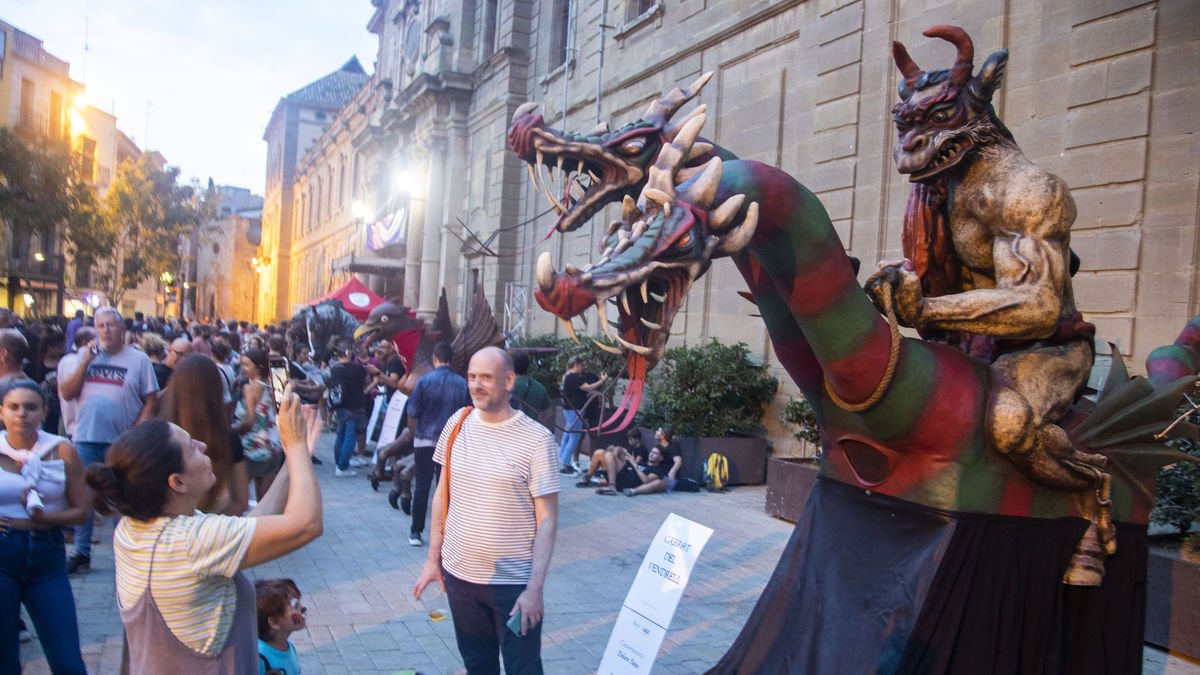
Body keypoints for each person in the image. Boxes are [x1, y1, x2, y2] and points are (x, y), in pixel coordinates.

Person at [84, 387, 322, 673]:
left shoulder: (137, 527)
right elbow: (306, 525)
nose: (203, 445)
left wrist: (297, 458)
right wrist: (295, 448)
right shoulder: (189, 542)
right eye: (191, 447)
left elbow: (247, 528)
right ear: (177, 482)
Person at [412, 347, 559, 675]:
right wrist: (432, 560)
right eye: (472, 377)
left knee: (523, 669)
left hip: (514, 586)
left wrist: (535, 589)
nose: (476, 385)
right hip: (460, 578)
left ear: (509, 381)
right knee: (478, 666)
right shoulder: (457, 423)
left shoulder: (537, 440)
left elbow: (548, 520)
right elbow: (442, 495)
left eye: (486, 378)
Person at [59, 307, 159, 574]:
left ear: (122, 329)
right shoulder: (83, 357)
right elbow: (67, 393)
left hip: (121, 440)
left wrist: (137, 430)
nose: (105, 330)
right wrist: (84, 363)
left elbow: (151, 399)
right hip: (87, 437)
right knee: (85, 494)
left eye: (110, 325)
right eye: (100, 326)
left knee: (121, 497)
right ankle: (81, 551)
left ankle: (124, 553)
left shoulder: (138, 360)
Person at [0, 380, 88, 674]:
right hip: (2, 555)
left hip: (47, 556)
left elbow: (81, 510)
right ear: (2, 412)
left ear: (45, 411)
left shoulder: (62, 450)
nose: (22, 413)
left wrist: (43, 520)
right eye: (14, 407)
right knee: (4, 661)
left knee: (68, 662)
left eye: (30, 407)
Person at [160, 354, 250, 516]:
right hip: (214, 530)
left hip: (165, 530)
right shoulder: (228, 438)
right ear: (216, 389)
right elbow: (240, 501)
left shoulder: (159, 433)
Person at [405, 342, 470, 547]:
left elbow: (413, 410)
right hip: (452, 442)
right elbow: (469, 413)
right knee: (447, 488)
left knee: (422, 485)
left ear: (435, 359)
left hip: (425, 439)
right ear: (451, 359)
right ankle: (446, 532)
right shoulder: (462, 383)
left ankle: (416, 531)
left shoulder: (425, 381)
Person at [235, 348, 284, 499]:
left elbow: (250, 419)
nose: (243, 369)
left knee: (239, 496)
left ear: (259, 367)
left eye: (247, 365)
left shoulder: (250, 388)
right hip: (272, 445)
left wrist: (230, 433)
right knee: (264, 498)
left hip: (251, 446)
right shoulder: (275, 385)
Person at [557, 357, 606, 474]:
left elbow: (578, 392)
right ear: (576, 365)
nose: (582, 368)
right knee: (574, 437)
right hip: (575, 411)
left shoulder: (567, 376)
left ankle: (562, 458)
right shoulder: (573, 377)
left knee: (567, 435)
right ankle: (566, 462)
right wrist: (602, 380)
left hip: (570, 410)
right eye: (581, 365)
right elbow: (588, 387)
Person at [326, 338, 368, 477]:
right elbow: (366, 383)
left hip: (340, 405)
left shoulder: (334, 369)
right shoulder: (357, 369)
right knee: (350, 437)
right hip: (354, 406)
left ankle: (340, 463)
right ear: (349, 352)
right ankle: (342, 466)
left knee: (340, 434)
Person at [255, 578, 305, 675]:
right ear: (274, 622)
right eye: (294, 605)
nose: (302, 608)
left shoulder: (289, 646)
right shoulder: (259, 656)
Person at [575, 428, 648, 490]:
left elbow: (635, 463)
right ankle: (587, 478)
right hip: (623, 468)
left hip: (629, 471)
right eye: (628, 440)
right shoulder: (632, 447)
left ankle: (610, 481)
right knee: (599, 452)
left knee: (617, 449)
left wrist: (624, 453)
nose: (629, 442)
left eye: (631, 440)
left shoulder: (641, 449)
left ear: (637, 439)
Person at [56, 327, 95, 440]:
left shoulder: (64, 360)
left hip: (67, 422)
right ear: (85, 343)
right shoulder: (72, 362)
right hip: (77, 426)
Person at [31, 330, 65, 434]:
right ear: (49, 347)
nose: (62, 349)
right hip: (43, 407)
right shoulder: (36, 364)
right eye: (59, 347)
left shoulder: (65, 362)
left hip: (60, 409)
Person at [509, 352, 553, 429]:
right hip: (532, 432)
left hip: (509, 431)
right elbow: (548, 413)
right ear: (528, 366)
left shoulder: (504, 386)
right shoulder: (539, 387)